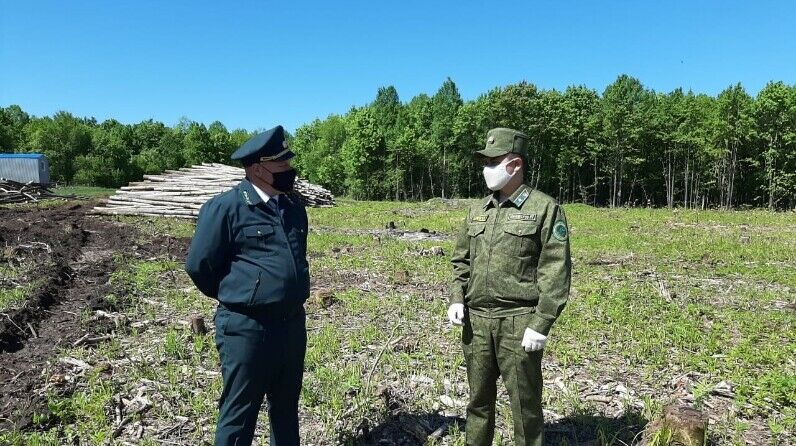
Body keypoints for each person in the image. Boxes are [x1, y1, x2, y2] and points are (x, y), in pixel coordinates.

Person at [185, 125, 309, 446]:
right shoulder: (226, 208)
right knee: (239, 415)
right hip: (247, 330)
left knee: (286, 410)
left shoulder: (293, 208)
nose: (289, 171)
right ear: (257, 169)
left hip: (292, 326)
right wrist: (241, 296)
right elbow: (199, 266)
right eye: (281, 165)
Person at [449, 127, 572, 446]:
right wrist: (456, 297)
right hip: (475, 324)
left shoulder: (544, 209)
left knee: (525, 407)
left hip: (519, 324)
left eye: (494, 162)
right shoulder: (477, 210)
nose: (486, 169)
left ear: (515, 165)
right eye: (485, 162)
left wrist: (541, 322)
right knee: (477, 403)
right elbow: (460, 260)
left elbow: (555, 270)